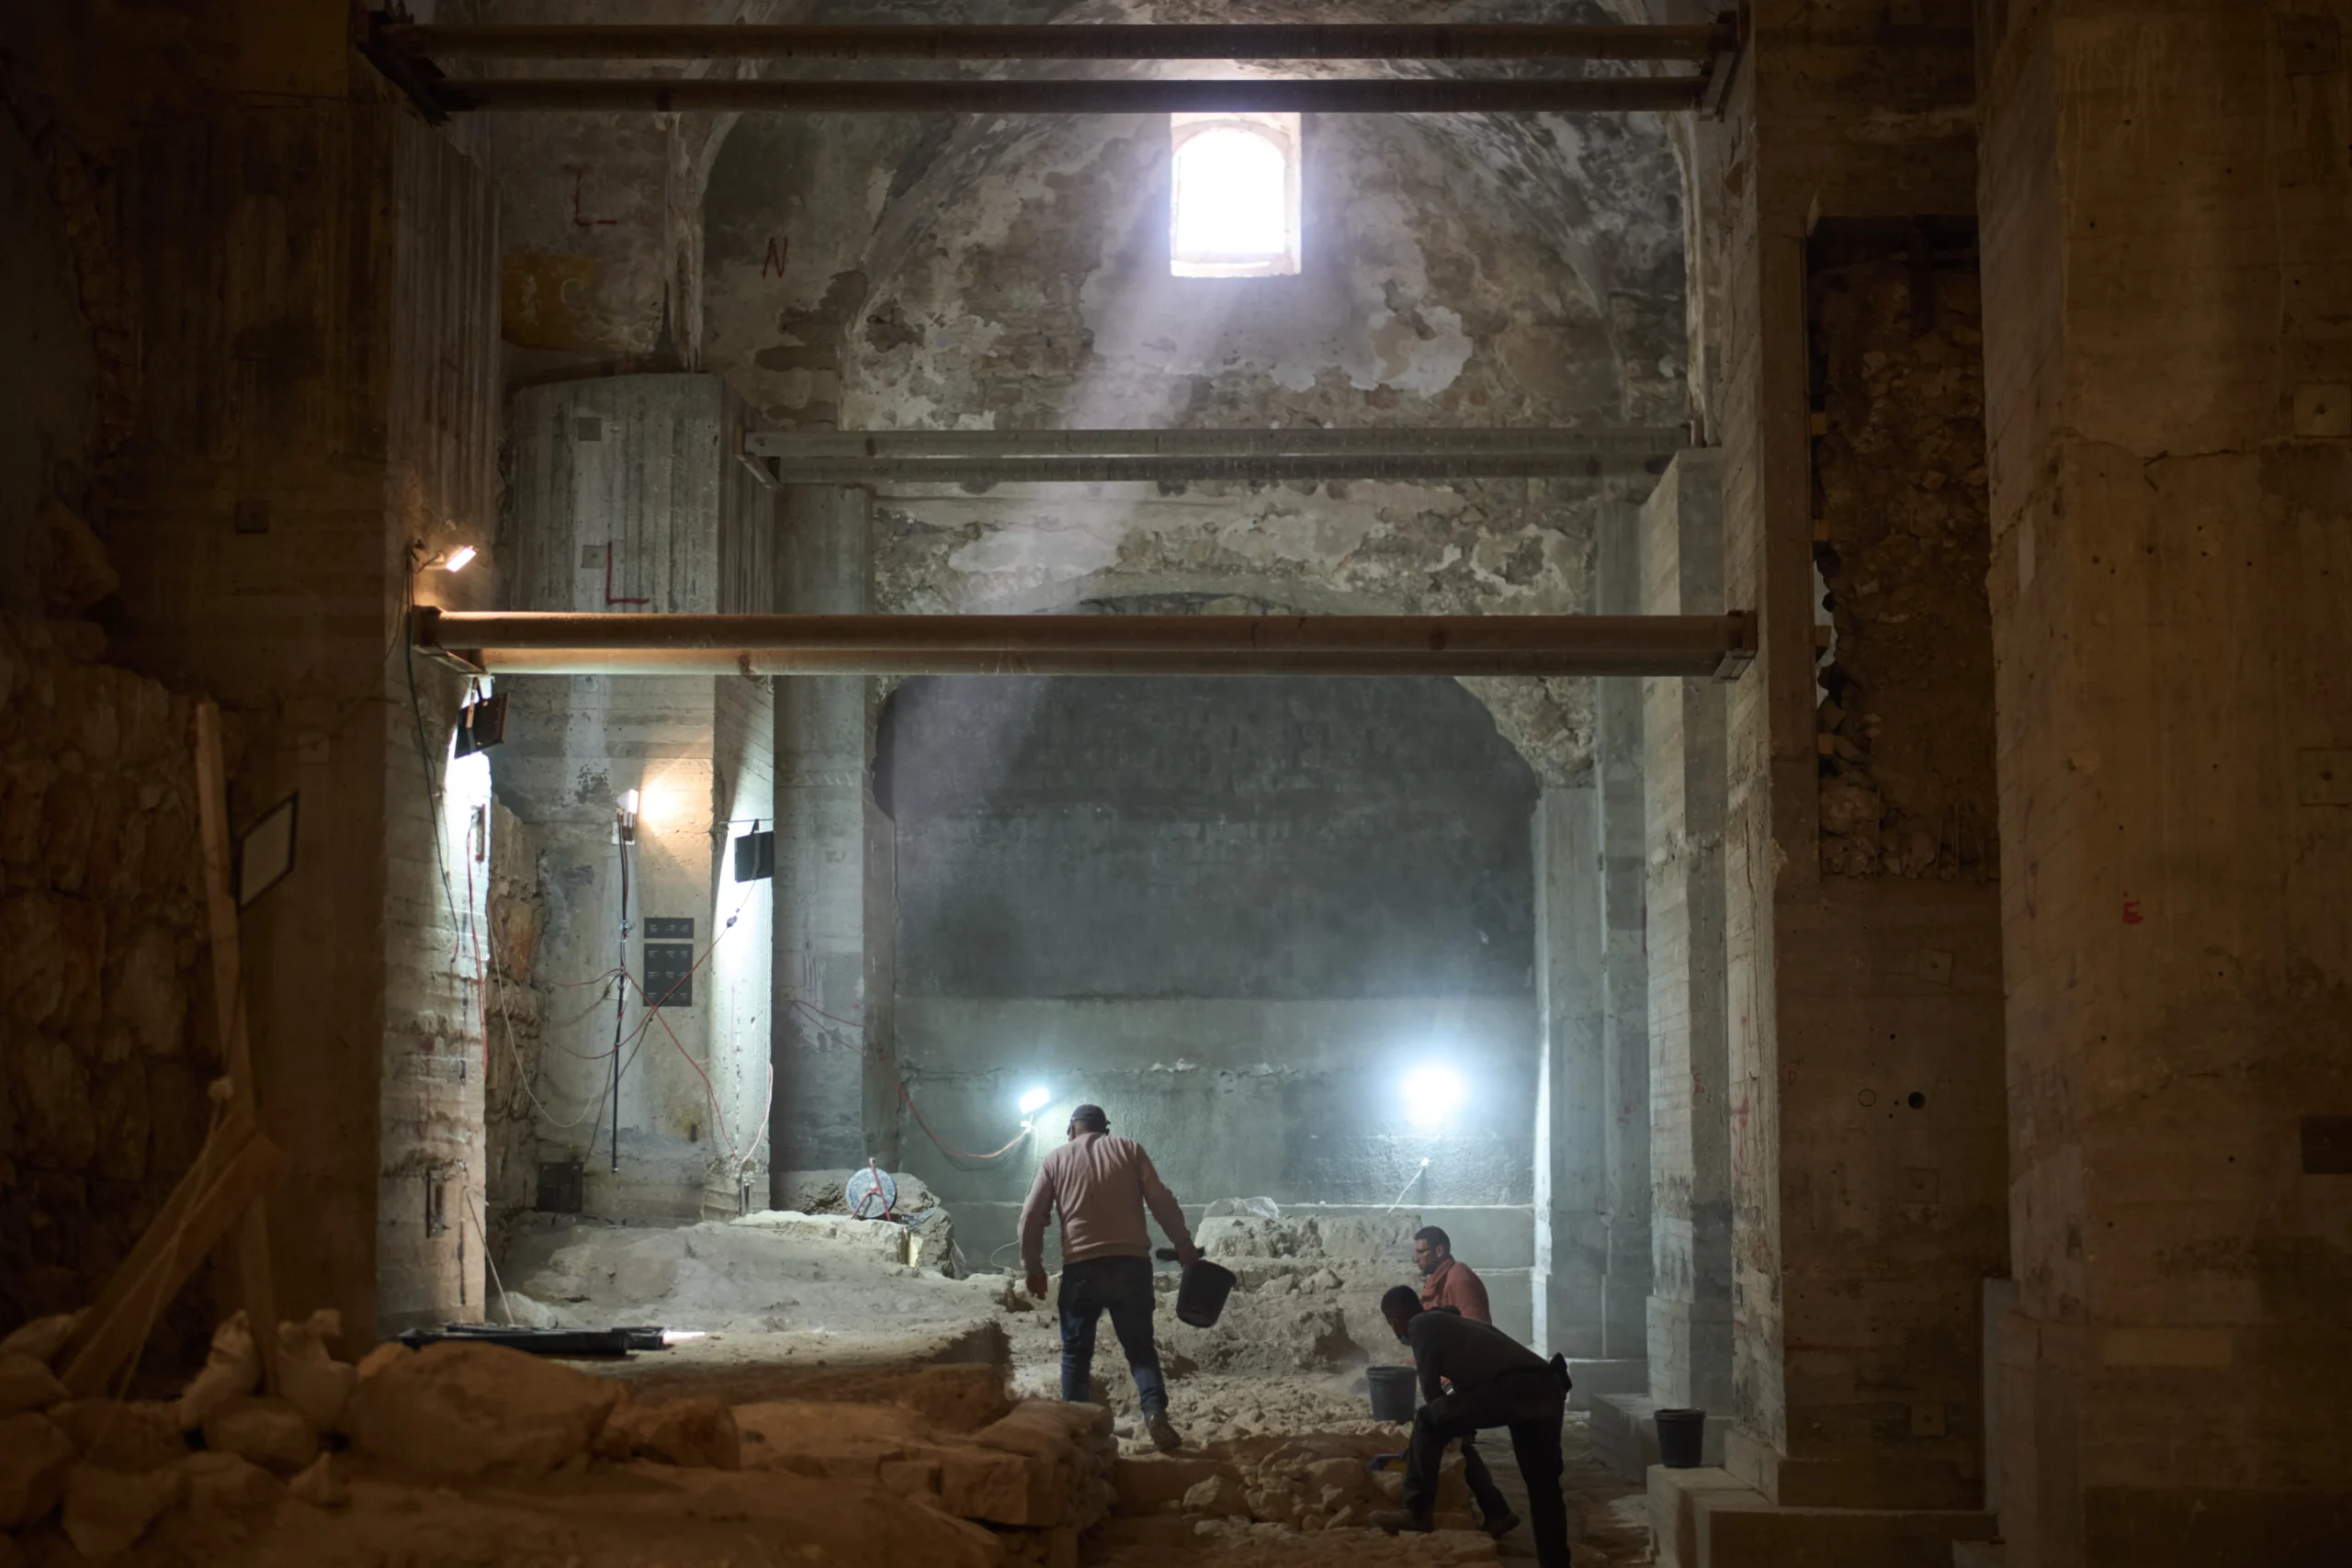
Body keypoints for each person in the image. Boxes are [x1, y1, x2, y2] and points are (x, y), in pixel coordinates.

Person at [1017, 1103, 1201, 1453]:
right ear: (1106, 1130)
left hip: (1082, 1269)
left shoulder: (1056, 1159)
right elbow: (1160, 1198)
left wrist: (1033, 1267)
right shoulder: (1128, 1149)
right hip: (1131, 1266)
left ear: (1072, 1129)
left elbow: (1030, 1217)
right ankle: (1154, 1413)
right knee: (1141, 1350)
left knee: (1075, 1353)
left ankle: (1076, 1427)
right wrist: (1183, 1244)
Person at [1369, 1285, 1574, 1568]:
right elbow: (1475, 1379)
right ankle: (1555, 1563)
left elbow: (1432, 1398)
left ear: (1395, 1321)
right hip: (1547, 1386)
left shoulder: (1421, 1325)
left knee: (1427, 1419)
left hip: (1514, 1388)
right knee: (1544, 1487)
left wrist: (1430, 1445)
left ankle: (1416, 1510)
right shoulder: (1451, 1322)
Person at [1411, 1225, 1515, 1539]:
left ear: (1440, 1250)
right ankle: (1498, 1511)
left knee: (1455, 1440)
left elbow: (1475, 1334)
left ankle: (1494, 1511)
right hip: (1454, 1380)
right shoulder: (1439, 1282)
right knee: (1458, 1444)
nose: (1415, 1259)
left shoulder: (1459, 1279)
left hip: (1468, 1381)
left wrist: (1450, 1381)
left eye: (1421, 1252)